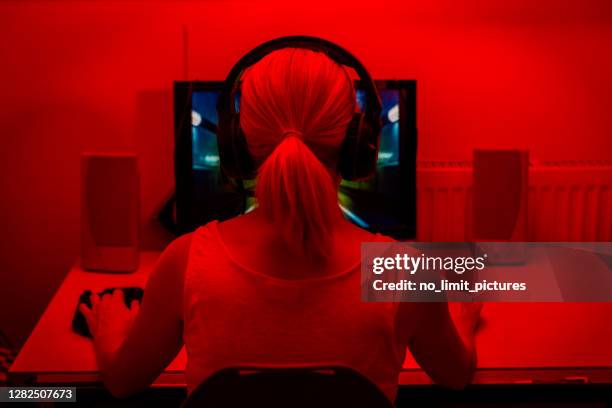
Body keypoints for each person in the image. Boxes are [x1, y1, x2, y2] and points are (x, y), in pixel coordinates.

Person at [80, 47, 481, 403]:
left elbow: (121, 383)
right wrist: (460, 321)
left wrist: (110, 332)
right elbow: (455, 376)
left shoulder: (186, 262)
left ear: (236, 142)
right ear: (360, 142)